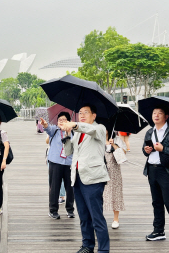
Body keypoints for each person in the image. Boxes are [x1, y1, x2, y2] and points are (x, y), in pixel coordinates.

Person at [62, 103, 110, 253]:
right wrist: (67, 136)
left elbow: (90, 130)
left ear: (94, 116)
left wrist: (74, 124)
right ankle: (87, 245)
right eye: (80, 112)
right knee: (83, 216)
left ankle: (103, 249)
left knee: (96, 217)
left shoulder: (99, 128)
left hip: (93, 179)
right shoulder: (77, 133)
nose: (81, 115)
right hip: (77, 177)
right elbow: (69, 152)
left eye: (85, 113)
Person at [142, 105, 169, 247]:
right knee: (157, 203)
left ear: (166, 116)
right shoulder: (150, 131)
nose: (156, 115)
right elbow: (145, 150)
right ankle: (158, 231)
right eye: (154, 113)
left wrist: (164, 149)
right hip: (152, 170)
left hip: (167, 172)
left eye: (160, 113)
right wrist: (146, 150)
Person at [40, 112, 75, 219]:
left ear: (68, 121)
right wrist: (45, 125)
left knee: (70, 188)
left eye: (64, 120)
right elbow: (47, 128)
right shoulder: (54, 130)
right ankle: (53, 210)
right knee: (54, 187)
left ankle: (70, 210)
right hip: (55, 162)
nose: (61, 121)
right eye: (60, 120)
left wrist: (68, 133)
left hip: (69, 162)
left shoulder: (74, 132)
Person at [103, 130, 126, 229]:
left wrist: (115, 146)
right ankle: (98, 218)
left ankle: (116, 219)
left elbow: (122, 158)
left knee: (115, 193)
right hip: (100, 170)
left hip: (114, 171)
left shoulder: (117, 140)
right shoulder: (97, 139)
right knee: (98, 194)